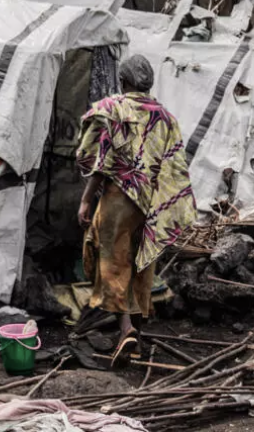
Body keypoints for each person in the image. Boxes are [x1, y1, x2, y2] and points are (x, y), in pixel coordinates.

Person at [75, 55, 197, 363]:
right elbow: (174, 164)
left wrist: (87, 199)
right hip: (154, 202)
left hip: (119, 198)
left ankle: (126, 330)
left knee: (114, 262)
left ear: (123, 81)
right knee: (143, 265)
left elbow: (100, 160)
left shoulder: (115, 110)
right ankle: (137, 341)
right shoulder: (166, 118)